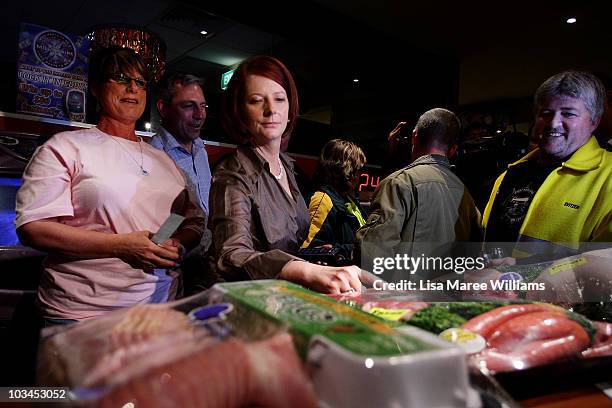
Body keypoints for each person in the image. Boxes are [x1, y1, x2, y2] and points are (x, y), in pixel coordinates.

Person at [14, 47, 205, 324]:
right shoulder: (66, 147)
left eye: (140, 82)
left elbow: (187, 217)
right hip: (83, 314)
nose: (132, 88)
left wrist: (170, 242)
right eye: (120, 78)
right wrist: (120, 246)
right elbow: (34, 228)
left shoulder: (163, 160)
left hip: (160, 307)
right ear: (96, 88)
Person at [209, 55, 365, 294]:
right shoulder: (232, 173)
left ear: (290, 109)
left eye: (280, 99)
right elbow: (231, 254)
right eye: (256, 100)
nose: (271, 110)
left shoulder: (288, 168)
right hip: (251, 301)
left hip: (284, 296)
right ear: (240, 112)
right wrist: (303, 270)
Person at [482, 71, 612, 259]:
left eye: (568, 113)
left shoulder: (607, 177)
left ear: (594, 121)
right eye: (546, 113)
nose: (553, 123)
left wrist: (520, 275)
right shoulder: (511, 174)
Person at [356, 108, 482, 279]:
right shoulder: (466, 195)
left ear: (414, 136)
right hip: (451, 301)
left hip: (403, 301)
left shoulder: (398, 183)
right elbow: (476, 257)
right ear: (452, 150)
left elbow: (371, 255)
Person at [150, 73, 212, 214]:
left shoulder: (200, 149)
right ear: (163, 109)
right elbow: (161, 223)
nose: (199, 115)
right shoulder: (155, 154)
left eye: (202, 106)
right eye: (189, 106)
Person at [301, 139, 367, 259]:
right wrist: (352, 251)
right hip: (337, 274)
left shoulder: (349, 199)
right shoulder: (322, 200)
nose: (359, 176)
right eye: (357, 170)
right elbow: (310, 251)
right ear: (346, 169)